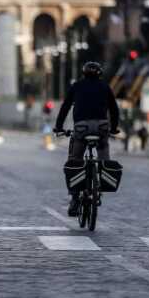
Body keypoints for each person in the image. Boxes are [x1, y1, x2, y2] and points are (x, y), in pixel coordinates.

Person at [54, 61, 120, 217]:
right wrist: (113, 128)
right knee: (103, 151)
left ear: (83, 73)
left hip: (82, 127)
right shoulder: (105, 87)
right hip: (102, 127)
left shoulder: (76, 86)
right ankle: (101, 183)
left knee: (75, 159)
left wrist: (59, 127)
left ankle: (75, 199)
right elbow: (114, 109)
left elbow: (65, 107)